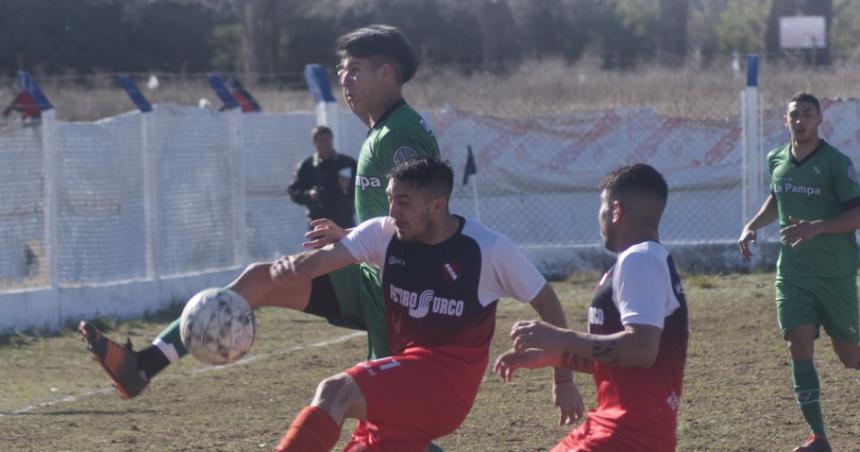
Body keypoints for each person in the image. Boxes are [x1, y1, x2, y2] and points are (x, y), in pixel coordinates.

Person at [272, 156, 581, 451]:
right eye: (390, 198)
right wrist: (291, 268)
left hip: (447, 386)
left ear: (437, 205)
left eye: (403, 202)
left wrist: (564, 379)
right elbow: (320, 262)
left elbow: (547, 301)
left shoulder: (487, 248)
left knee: (335, 391)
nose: (393, 211)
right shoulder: (386, 233)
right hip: (409, 375)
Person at [494, 163, 689, 451]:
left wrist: (560, 337)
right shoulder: (640, 260)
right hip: (614, 427)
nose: (599, 217)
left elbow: (641, 350)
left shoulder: (640, 261)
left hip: (629, 436)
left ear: (616, 210)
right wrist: (557, 357)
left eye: (602, 206)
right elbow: (628, 361)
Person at [738, 93, 860, 452]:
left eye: (807, 114)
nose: (800, 120)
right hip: (792, 273)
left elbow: (857, 214)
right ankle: (818, 437)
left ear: (820, 119)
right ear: (785, 121)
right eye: (794, 115)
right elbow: (777, 198)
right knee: (799, 343)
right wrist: (752, 225)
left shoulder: (836, 163)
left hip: (835, 273)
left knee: (850, 356)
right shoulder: (776, 158)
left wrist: (817, 227)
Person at [288, 126, 357, 229]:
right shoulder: (307, 166)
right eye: (321, 139)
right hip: (319, 224)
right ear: (314, 142)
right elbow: (293, 191)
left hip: (344, 222)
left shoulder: (347, 162)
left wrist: (349, 186)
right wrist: (309, 195)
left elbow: (363, 187)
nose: (326, 142)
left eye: (328, 138)